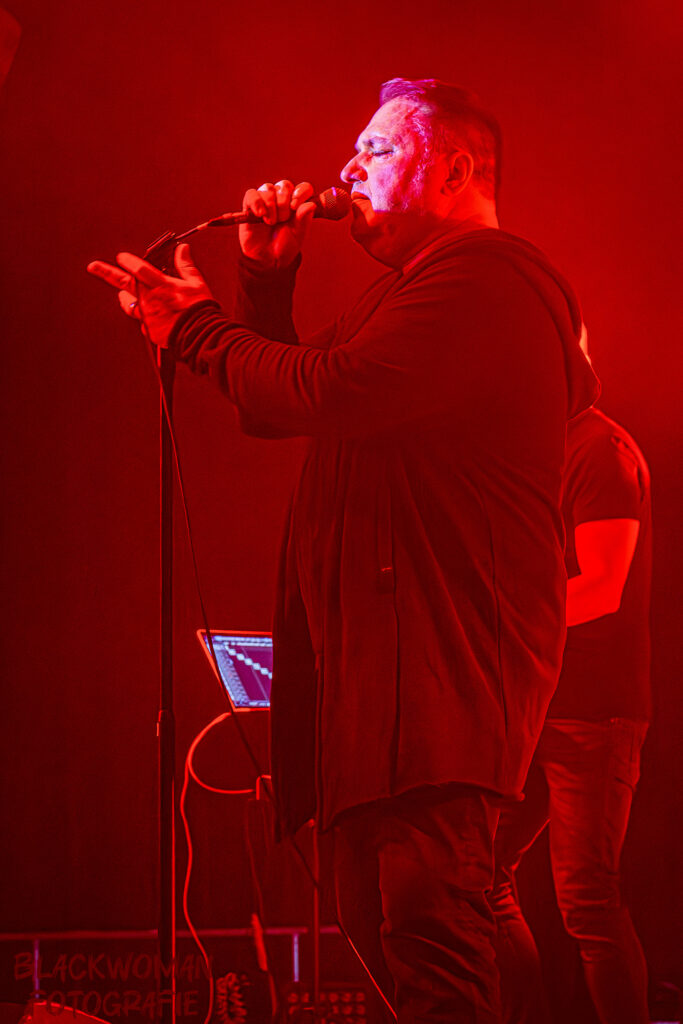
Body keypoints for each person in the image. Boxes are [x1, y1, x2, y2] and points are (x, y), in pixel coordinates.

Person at [88, 78, 598, 1023]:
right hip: (382, 692)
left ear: (453, 170)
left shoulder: (486, 278)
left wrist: (193, 325)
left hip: (438, 687)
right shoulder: (406, 293)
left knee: (433, 945)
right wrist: (265, 280)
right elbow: (281, 403)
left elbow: (323, 391)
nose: (346, 168)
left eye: (376, 149)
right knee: (390, 941)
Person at [489, 379, 652, 1024]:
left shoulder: (599, 450)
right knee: (478, 877)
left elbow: (604, 587)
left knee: (587, 901)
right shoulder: (538, 447)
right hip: (536, 705)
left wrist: (498, 619)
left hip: (593, 711)